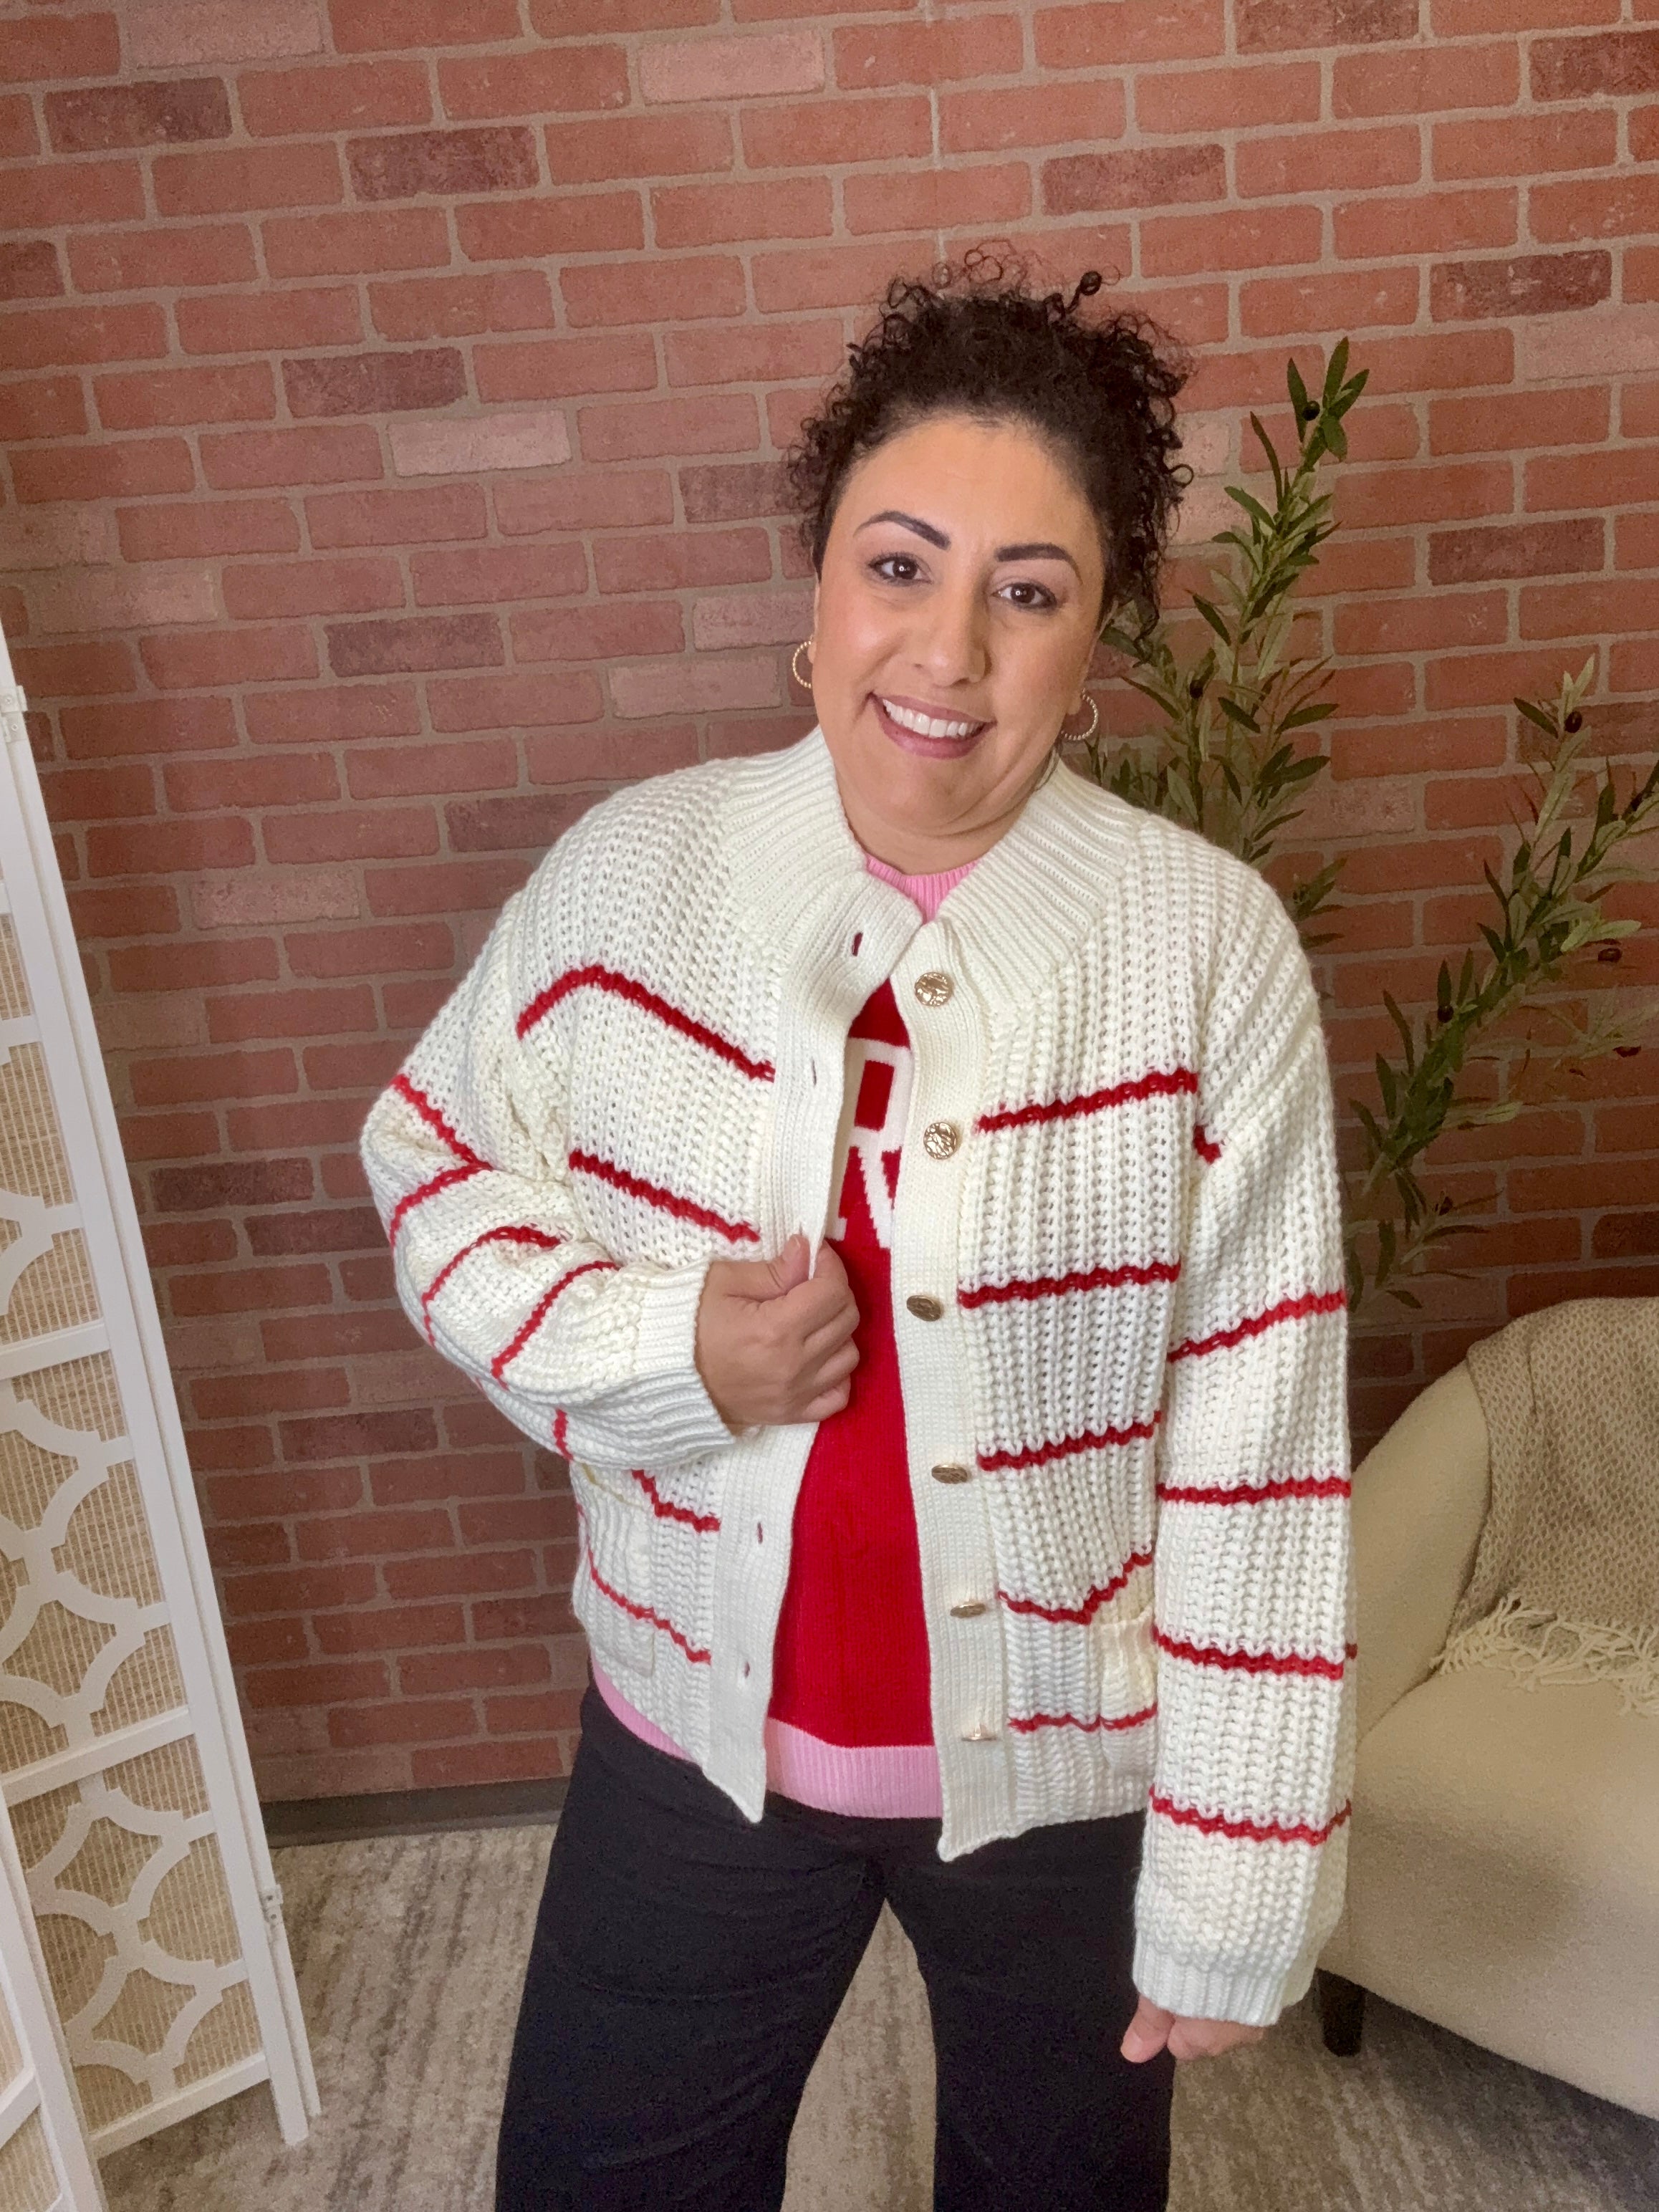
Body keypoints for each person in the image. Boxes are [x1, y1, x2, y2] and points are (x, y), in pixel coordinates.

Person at [359, 249, 1357, 2212]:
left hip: (1065, 1780)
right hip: (688, 1748)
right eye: (899, 566)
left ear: (1094, 645)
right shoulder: (633, 878)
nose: (949, 649)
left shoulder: (1203, 952)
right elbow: (434, 1159)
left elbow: (1260, 1454)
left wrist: (1238, 1870)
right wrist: (664, 1350)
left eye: (1029, 592)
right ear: (816, 601)